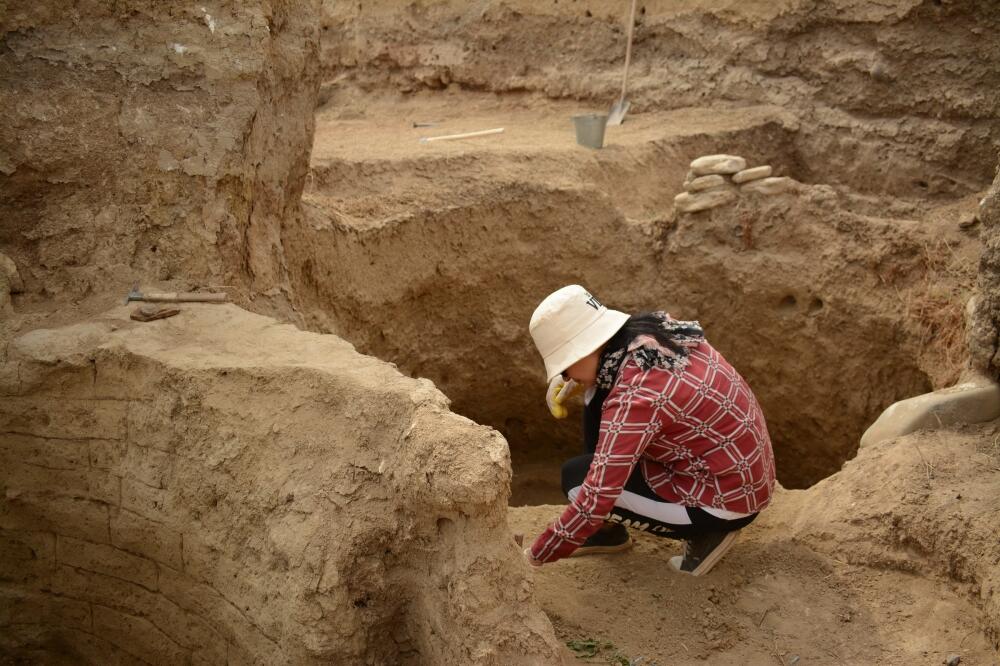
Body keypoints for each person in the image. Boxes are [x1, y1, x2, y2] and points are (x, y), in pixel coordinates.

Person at [523, 284, 776, 576]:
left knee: (576, 479)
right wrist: (574, 383)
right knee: (597, 396)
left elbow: (595, 499)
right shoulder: (648, 336)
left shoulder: (636, 396)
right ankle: (608, 530)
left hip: (726, 501)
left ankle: (707, 533)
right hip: (737, 470)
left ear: (583, 351)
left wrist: (537, 554)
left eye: (564, 367)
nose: (565, 375)